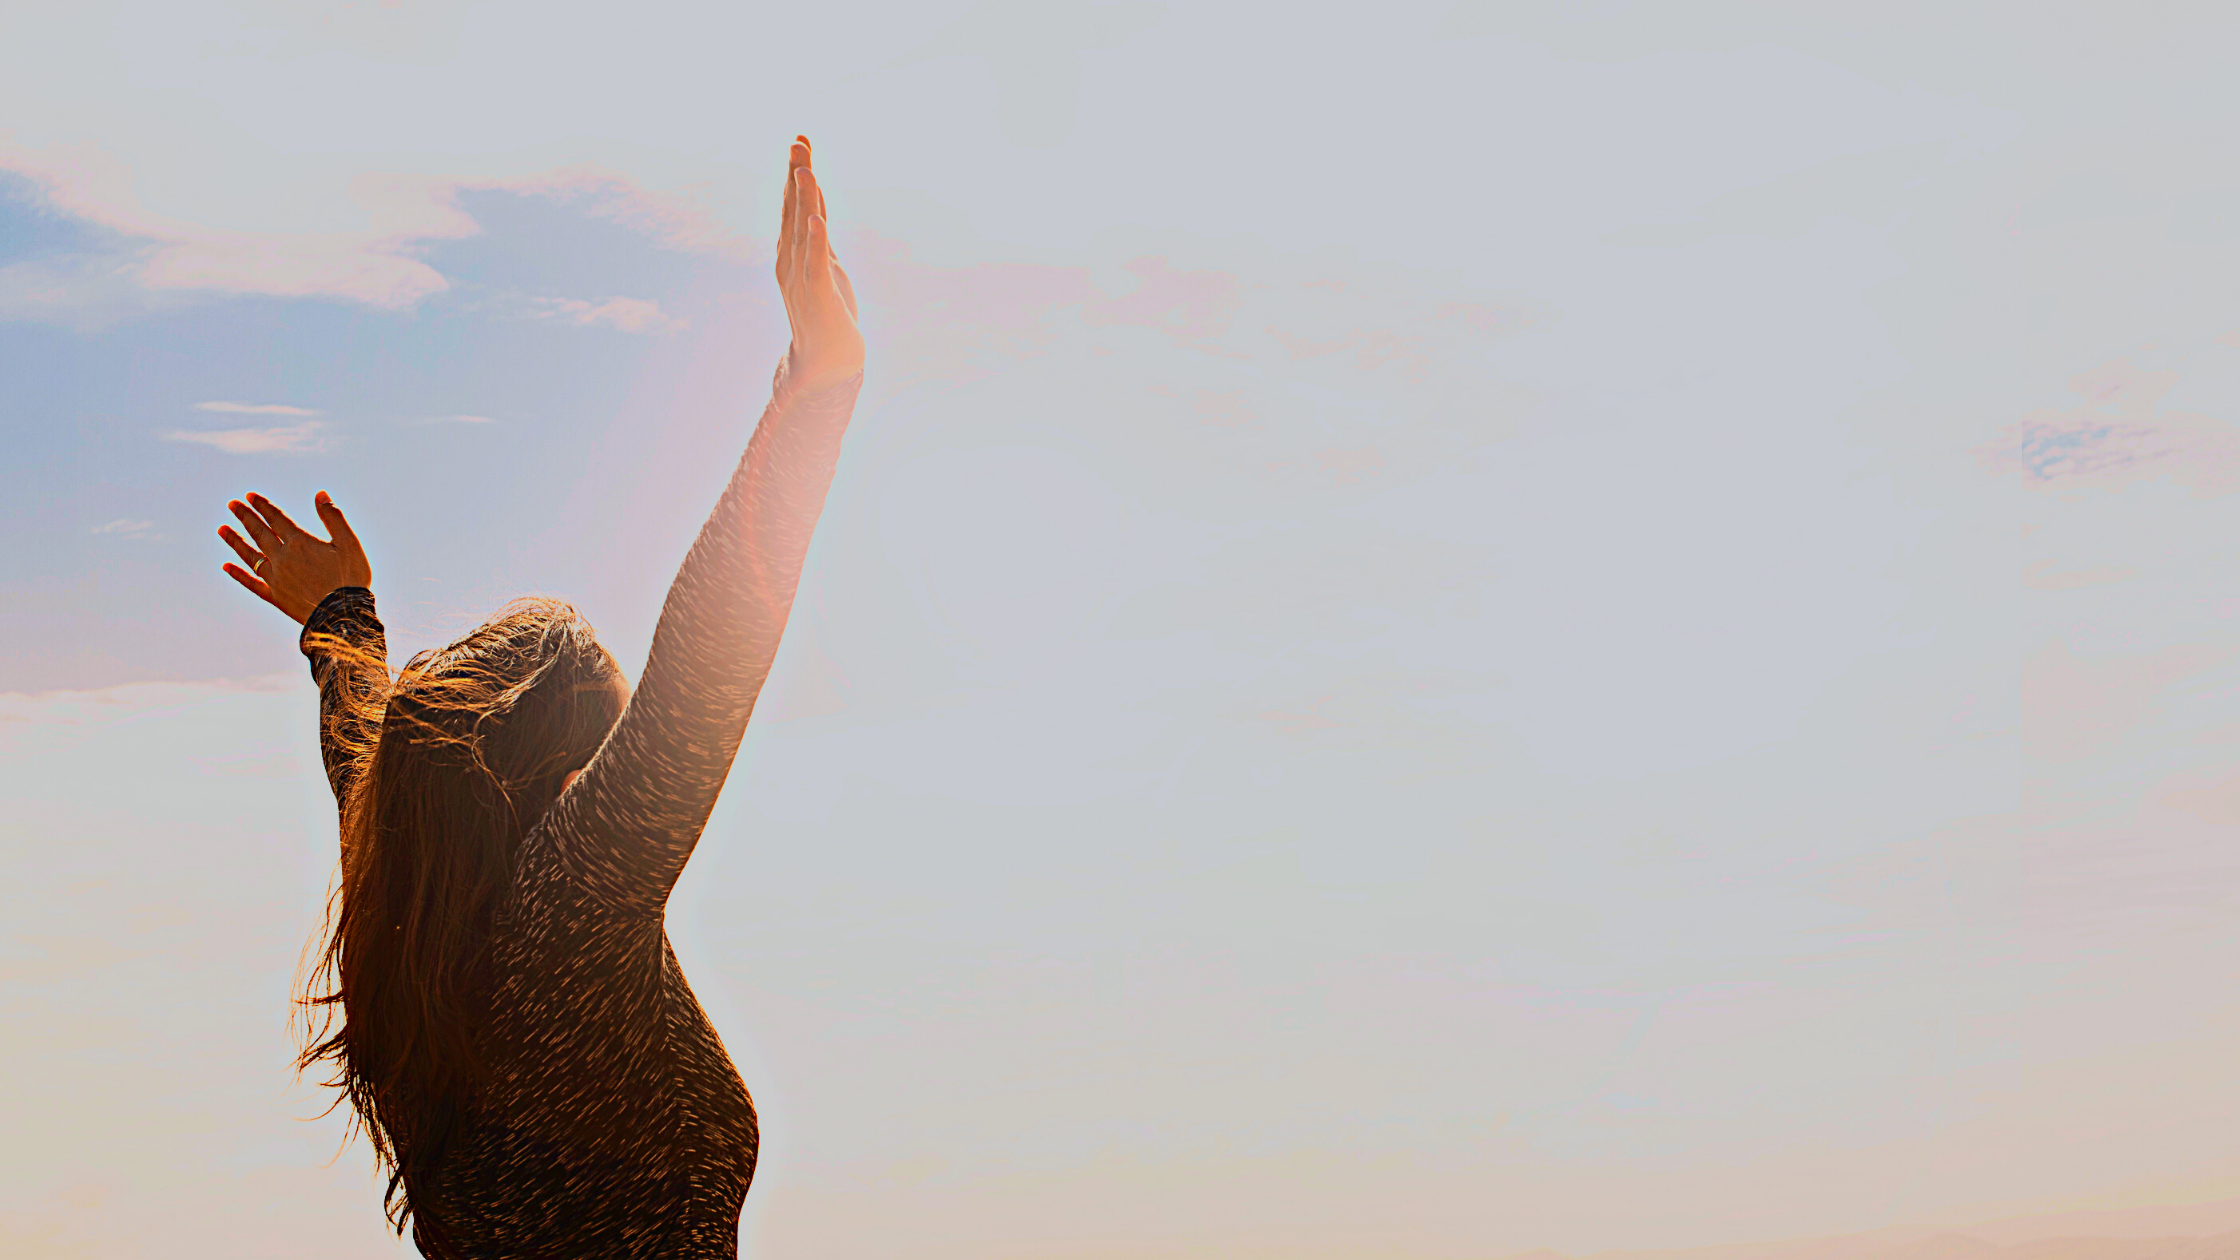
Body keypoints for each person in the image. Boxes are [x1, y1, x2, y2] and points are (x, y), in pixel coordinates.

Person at [212, 136, 864, 1259]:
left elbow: (366, 749)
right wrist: (815, 389)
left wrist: (345, 619)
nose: (615, 779)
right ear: (556, 769)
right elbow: (703, 666)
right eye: (607, 752)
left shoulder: (408, 924)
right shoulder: (565, 918)